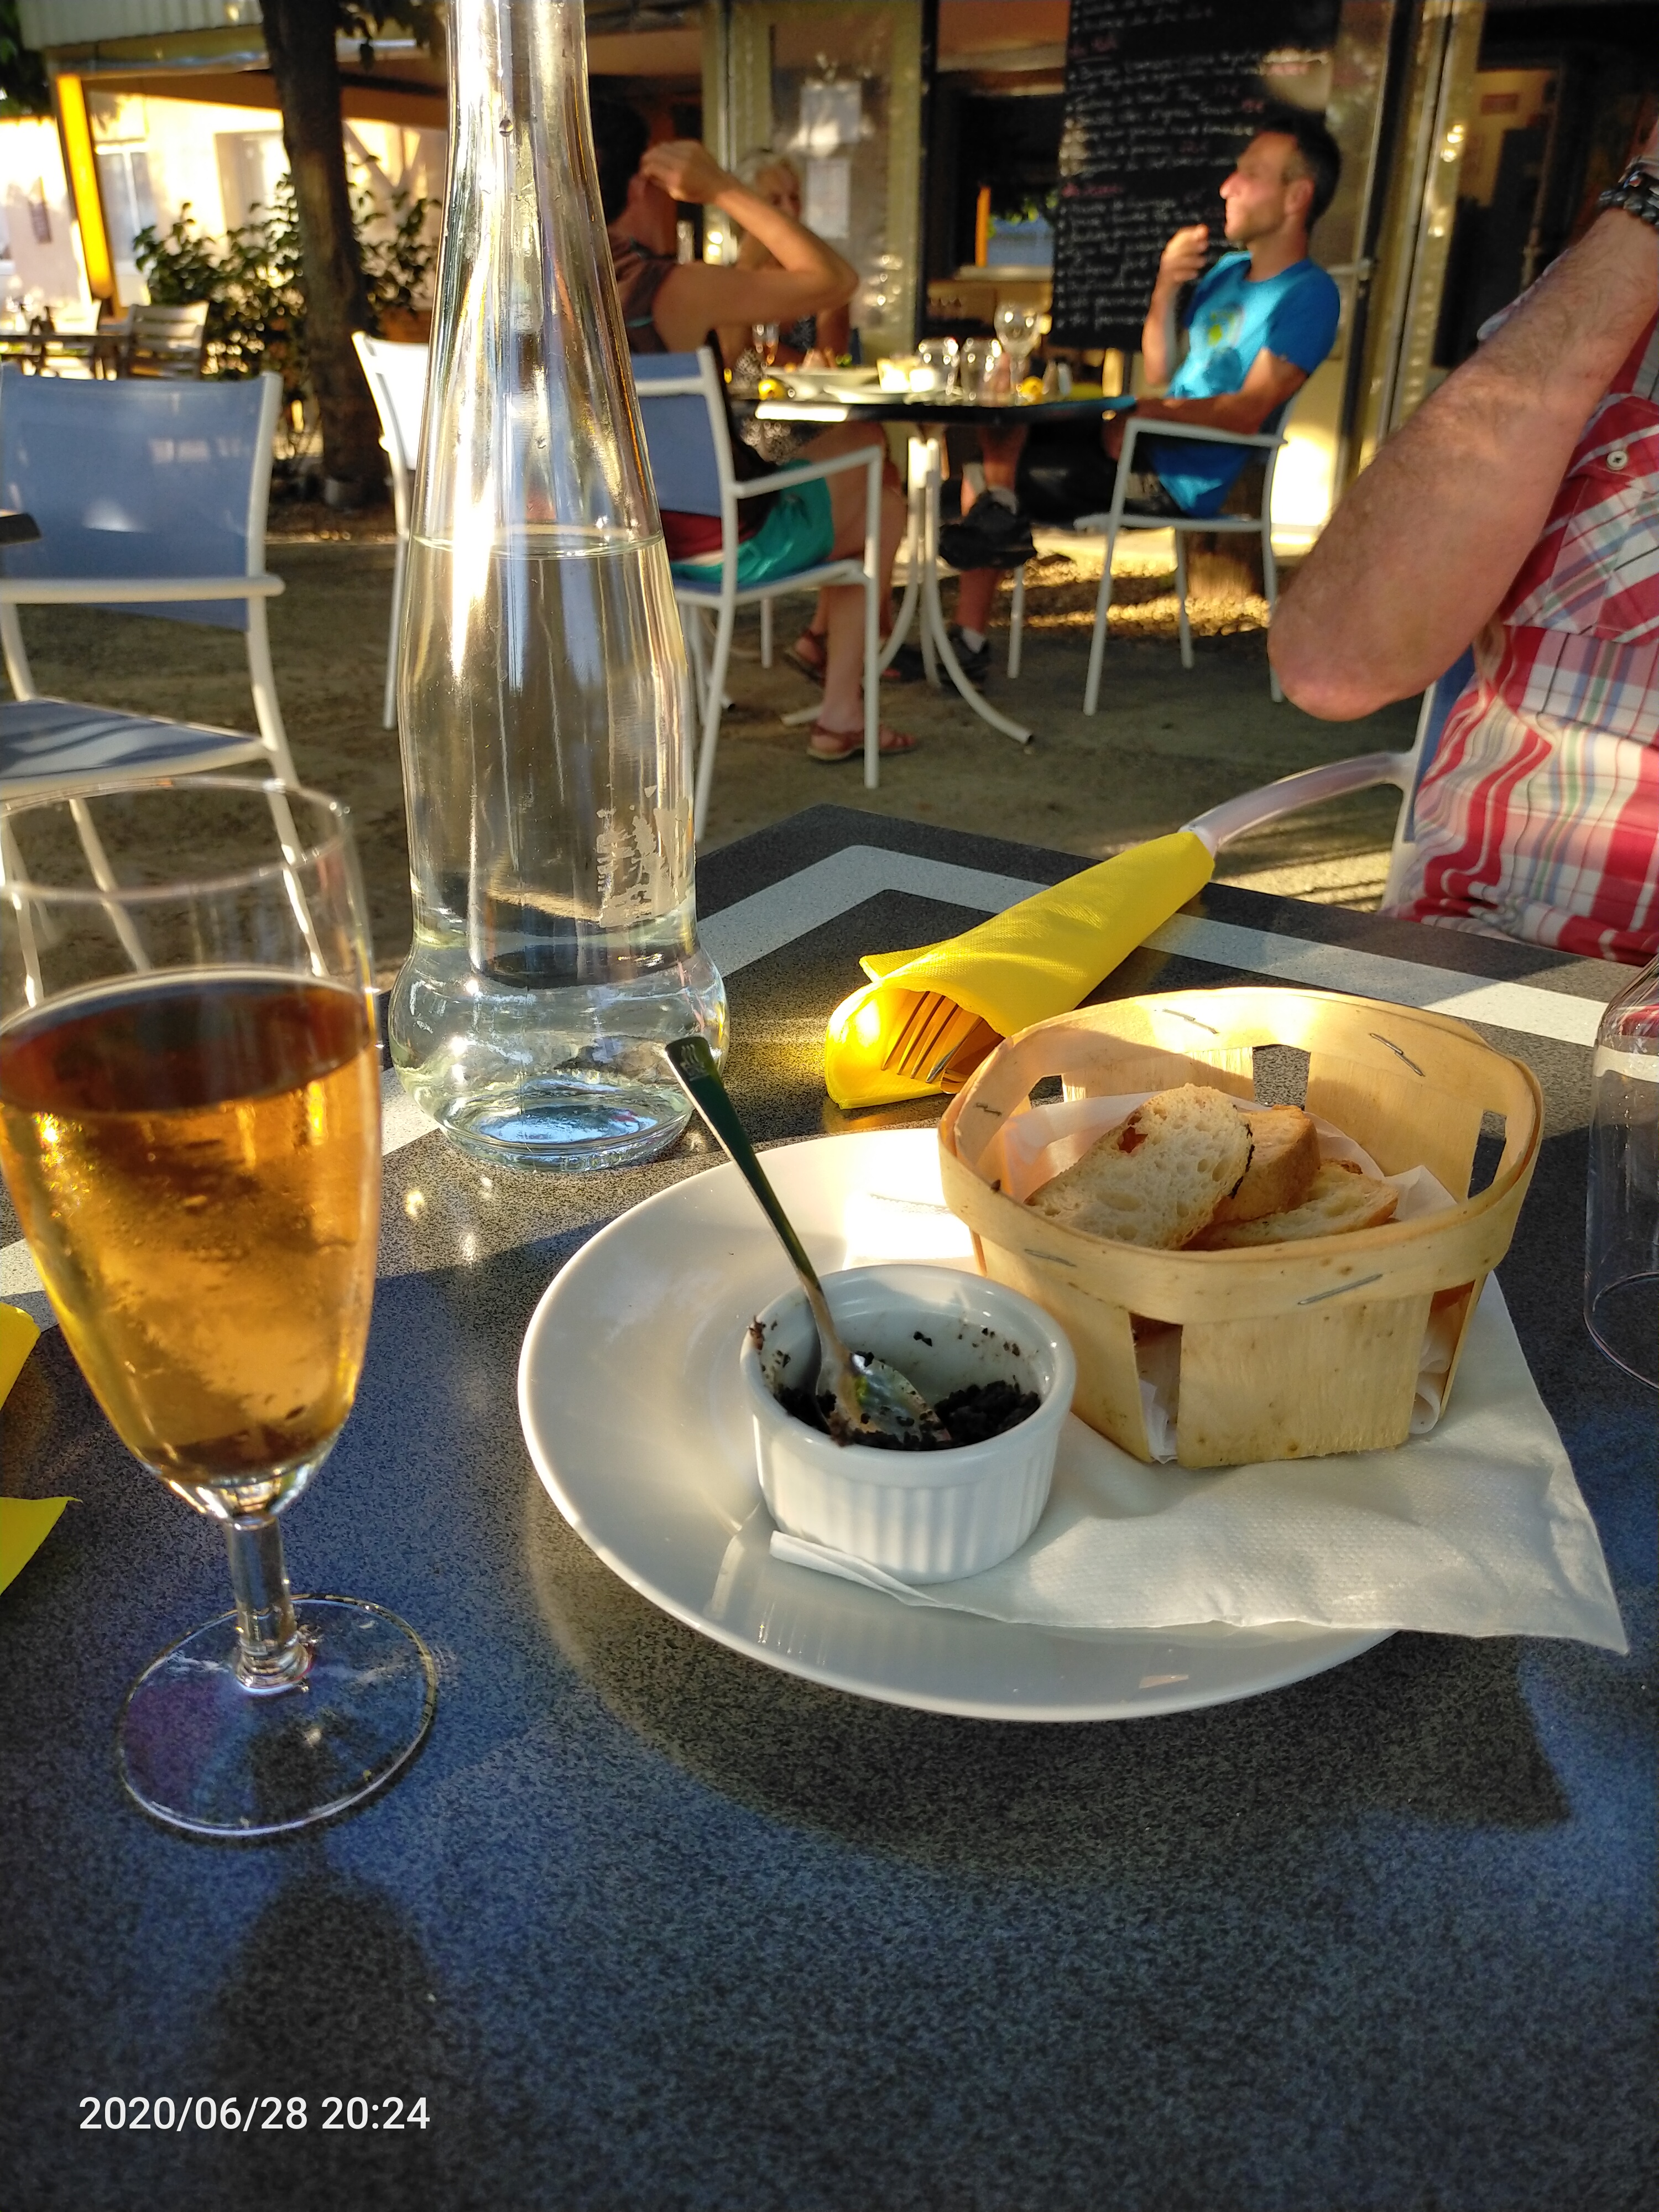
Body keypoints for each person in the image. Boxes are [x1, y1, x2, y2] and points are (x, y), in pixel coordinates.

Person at [1270, 125, 1659, 966]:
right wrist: (1649, 205)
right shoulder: (1606, 312)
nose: (1230, 189)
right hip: (1491, 955)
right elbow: (1332, 664)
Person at [942, 108, 1343, 685]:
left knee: (982, 476)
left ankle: (967, 636)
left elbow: (1247, 411)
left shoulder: (1309, 295)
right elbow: (1160, 368)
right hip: (1141, 444)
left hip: (1178, 478)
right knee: (998, 425)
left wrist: (1147, 414)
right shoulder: (1226, 273)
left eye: (1250, 174)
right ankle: (989, 548)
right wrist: (1166, 284)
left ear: (1296, 197)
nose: (1227, 186)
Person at [591, 98, 911, 763]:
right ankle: (842, 708)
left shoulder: (561, 290)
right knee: (878, 482)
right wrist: (724, 189)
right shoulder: (667, 288)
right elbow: (835, 280)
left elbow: (740, 357)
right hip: (721, 550)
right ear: (645, 183)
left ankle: (831, 667)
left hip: (624, 540)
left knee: (853, 452)